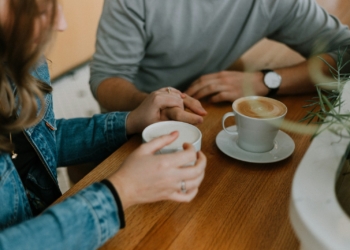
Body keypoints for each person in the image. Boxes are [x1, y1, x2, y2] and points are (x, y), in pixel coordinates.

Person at [0, 1, 206, 249]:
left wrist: (129, 121)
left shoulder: (16, 60)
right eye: (41, 10)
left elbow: (39, 143)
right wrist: (120, 192)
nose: (61, 25)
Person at [89, 0, 350, 115]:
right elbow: (107, 79)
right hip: (133, 113)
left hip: (209, 108)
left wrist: (268, 81)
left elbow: (346, 51)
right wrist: (150, 104)